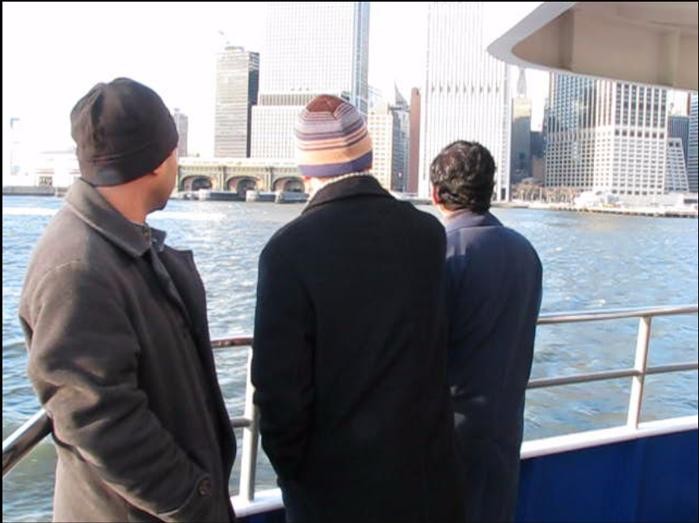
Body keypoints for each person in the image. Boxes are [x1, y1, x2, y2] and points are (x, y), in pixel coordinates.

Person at [19, 78, 236, 522]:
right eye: (175, 150)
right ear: (157, 161)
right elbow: (97, 418)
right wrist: (194, 498)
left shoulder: (116, 248)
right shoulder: (78, 269)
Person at [251, 94, 465, 523]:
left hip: (333, 494)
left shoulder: (287, 252)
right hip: (428, 485)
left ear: (306, 170)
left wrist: (296, 475)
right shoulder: (426, 234)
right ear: (369, 157)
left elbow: (278, 392)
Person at [430, 140, 543, 523]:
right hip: (505, 428)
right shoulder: (525, 252)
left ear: (436, 194)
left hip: (450, 433)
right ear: (490, 190)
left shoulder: (443, 253)